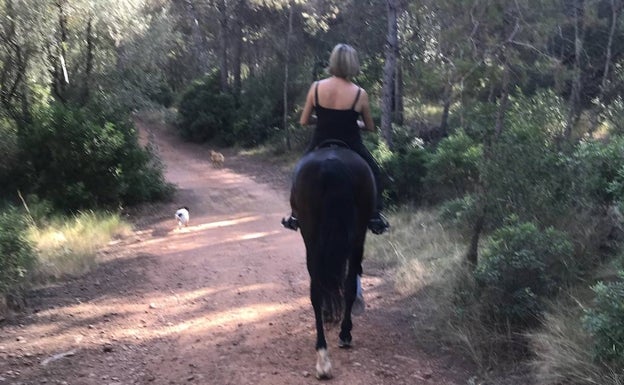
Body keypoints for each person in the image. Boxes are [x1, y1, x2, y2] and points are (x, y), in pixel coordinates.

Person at [281, 43, 389, 235]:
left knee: (299, 171)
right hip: (352, 144)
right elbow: (370, 127)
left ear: (332, 62)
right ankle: (374, 215)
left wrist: (324, 119)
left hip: (319, 141)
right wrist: (352, 123)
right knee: (374, 171)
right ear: (352, 64)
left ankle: (295, 215)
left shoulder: (316, 88)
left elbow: (304, 121)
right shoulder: (360, 93)